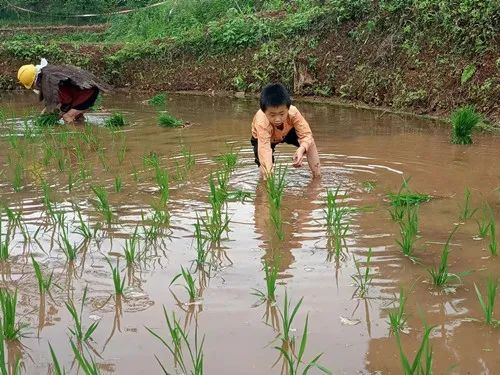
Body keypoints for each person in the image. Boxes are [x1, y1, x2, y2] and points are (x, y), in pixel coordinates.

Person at [251, 83, 321, 178]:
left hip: (287, 131)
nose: (277, 119)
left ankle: (317, 177)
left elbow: (306, 135)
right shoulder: (261, 121)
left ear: (288, 109)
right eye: (272, 115)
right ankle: (264, 188)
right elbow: (264, 150)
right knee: (264, 168)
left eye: (282, 114)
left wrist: (302, 149)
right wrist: (268, 175)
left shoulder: (293, 113)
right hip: (263, 138)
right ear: (264, 111)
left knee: (310, 143)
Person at [17, 58, 112, 124]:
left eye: (33, 86)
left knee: (67, 117)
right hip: (88, 90)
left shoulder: (48, 81)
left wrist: (58, 115)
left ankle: (77, 141)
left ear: (34, 81)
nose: (35, 88)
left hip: (86, 93)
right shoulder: (47, 73)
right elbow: (55, 99)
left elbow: (67, 100)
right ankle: (83, 128)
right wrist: (44, 114)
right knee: (77, 117)